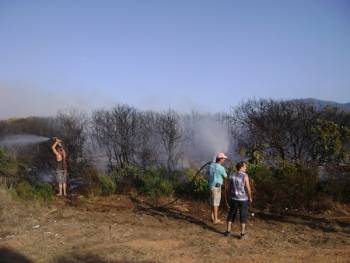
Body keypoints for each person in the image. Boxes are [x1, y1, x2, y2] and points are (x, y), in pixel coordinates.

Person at [224, 161, 252, 239]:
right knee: (243, 215)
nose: (246, 168)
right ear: (241, 167)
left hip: (234, 198)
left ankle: (228, 232)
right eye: (245, 167)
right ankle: (242, 234)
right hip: (243, 199)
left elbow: (229, 188)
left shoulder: (232, 175)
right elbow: (248, 187)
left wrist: (229, 196)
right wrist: (250, 197)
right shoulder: (245, 176)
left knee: (231, 214)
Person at [207, 152, 228, 224]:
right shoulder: (221, 168)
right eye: (223, 159)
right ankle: (216, 219)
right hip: (216, 188)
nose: (224, 160)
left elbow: (208, 173)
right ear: (221, 159)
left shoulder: (210, 166)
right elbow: (225, 176)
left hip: (210, 186)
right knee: (216, 203)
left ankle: (212, 217)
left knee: (212, 202)